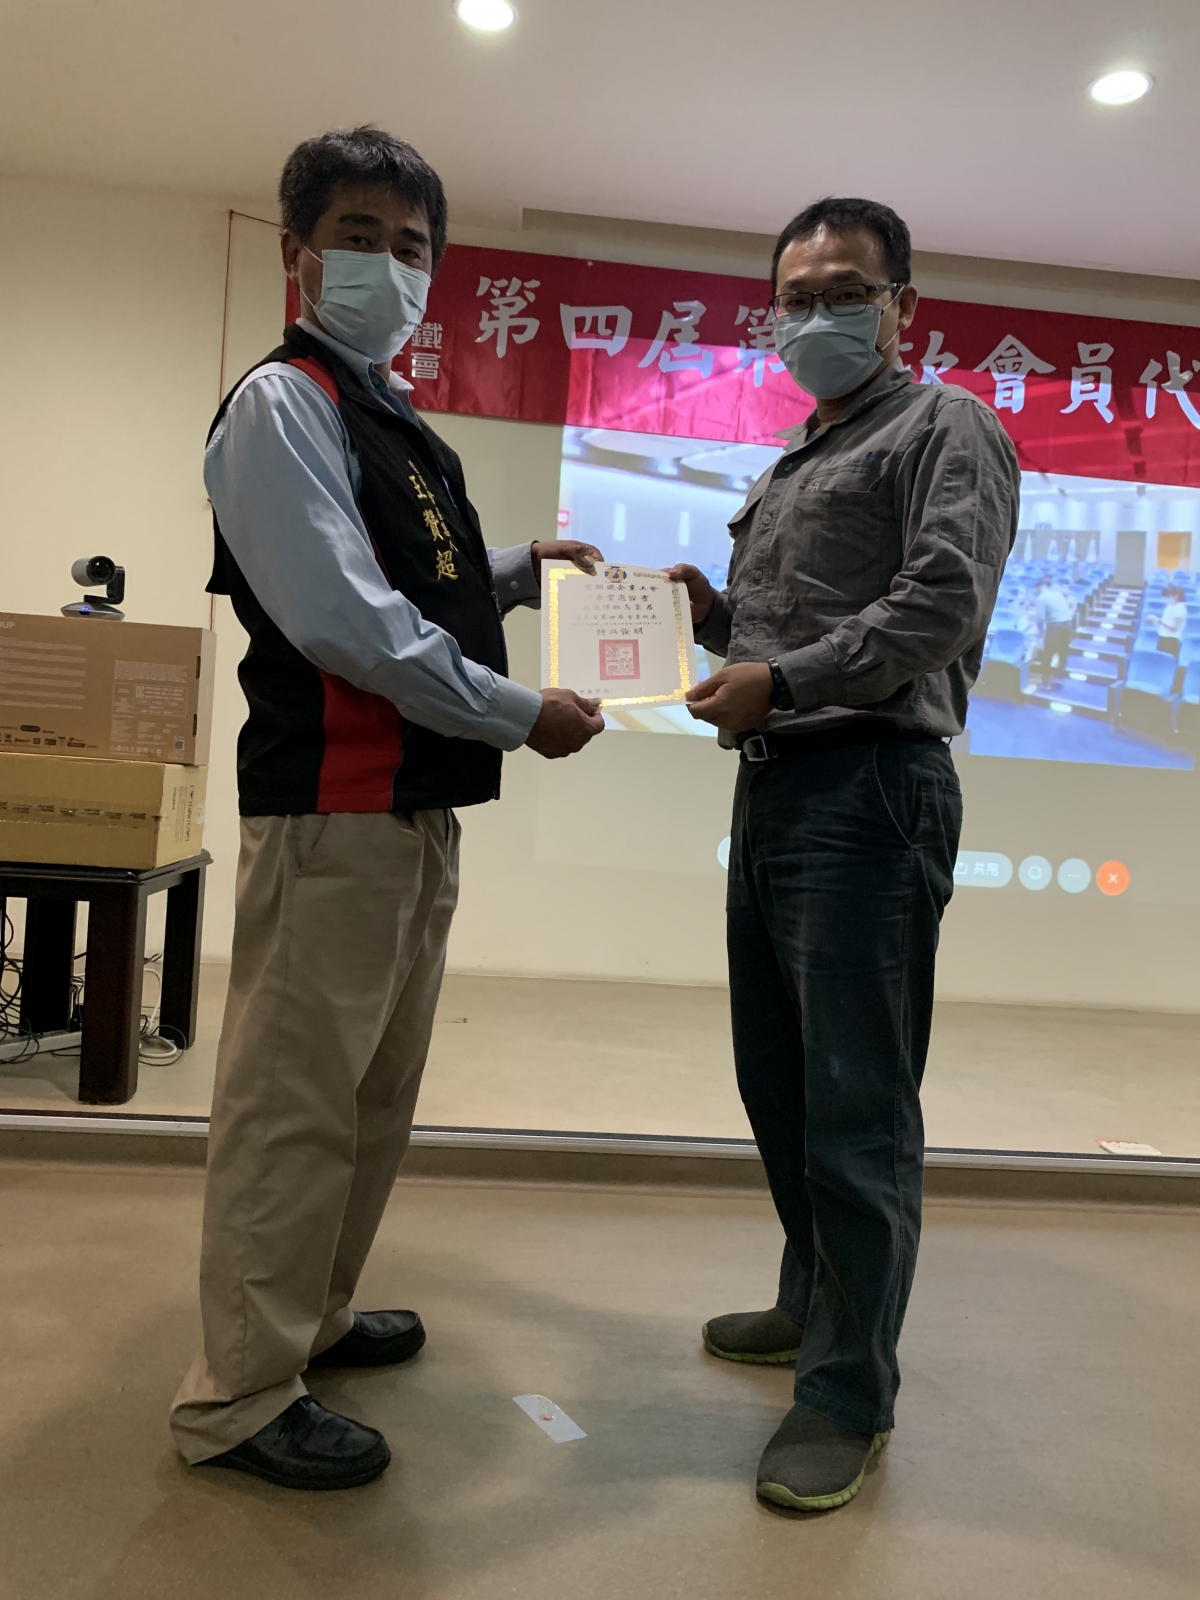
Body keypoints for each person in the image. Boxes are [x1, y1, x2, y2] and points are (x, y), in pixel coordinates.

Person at [170, 126, 605, 1491]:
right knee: (294, 1103)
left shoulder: (387, 412)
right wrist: (517, 710)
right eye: (357, 236)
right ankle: (238, 1397)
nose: (387, 265)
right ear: (297, 253)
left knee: (370, 1097)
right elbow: (345, 618)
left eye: (411, 246)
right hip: (333, 803)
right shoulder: (282, 402)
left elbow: (411, 573)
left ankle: (309, 1318)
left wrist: (522, 566)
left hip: (410, 806)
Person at [667, 196, 1018, 1512]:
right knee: (781, 1085)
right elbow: (786, 632)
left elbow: (940, 605)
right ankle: (811, 1305)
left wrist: (784, 677)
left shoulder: (946, 427)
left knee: (858, 1109)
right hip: (777, 789)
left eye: (846, 292)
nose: (816, 316)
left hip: (871, 790)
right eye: (796, 297)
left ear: (902, 306)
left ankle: (849, 1394)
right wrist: (713, 620)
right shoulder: (796, 458)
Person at [1033, 574, 1077, 684]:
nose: (1034, 591)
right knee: (1063, 653)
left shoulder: (1041, 598)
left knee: (1047, 655)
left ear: (1039, 587)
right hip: (1068, 625)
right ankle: (1060, 679)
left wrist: (1040, 635)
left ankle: (1045, 681)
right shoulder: (1058, 594)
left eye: (1035, 589)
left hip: (1055, 627)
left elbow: (1040, 619)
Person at [1149, 585, 1188, 661]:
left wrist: (1158, 621)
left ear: (1176, 595)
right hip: (1163, 637)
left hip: (1172, 640)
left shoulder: (1180, 607)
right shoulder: (1169, 606)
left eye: (1168, 596)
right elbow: (1166, 622)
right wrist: (1154, 622)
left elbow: (1174, 628)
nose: (1166, 598)